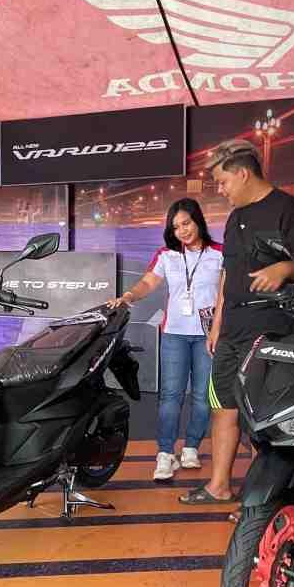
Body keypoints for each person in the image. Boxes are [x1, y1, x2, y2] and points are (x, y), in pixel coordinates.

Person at [179, 139, 294, 505]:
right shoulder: (235, 219)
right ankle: (218, 486)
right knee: (223, 407)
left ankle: (266, 500)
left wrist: (286, 268)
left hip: (273, 328)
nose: (220, 190)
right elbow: (227, 274)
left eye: (223, 182)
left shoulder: (290, 210)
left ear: (243, 174)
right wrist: (217, 324)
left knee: (264, 419)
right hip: (232, 330)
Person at [108, 198, 222, 480]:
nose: (182, 231)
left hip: (208, 336)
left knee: (201, 397)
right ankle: (165, 453)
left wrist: (218, 331)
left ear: (198, 220)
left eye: (186, 223)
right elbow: (148, 282)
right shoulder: (167, 254)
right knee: (171, 395)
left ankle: (192, 447)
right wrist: (128, 296)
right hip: (174, 334)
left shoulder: (220, 254)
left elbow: (225, 295)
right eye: (176, 227)